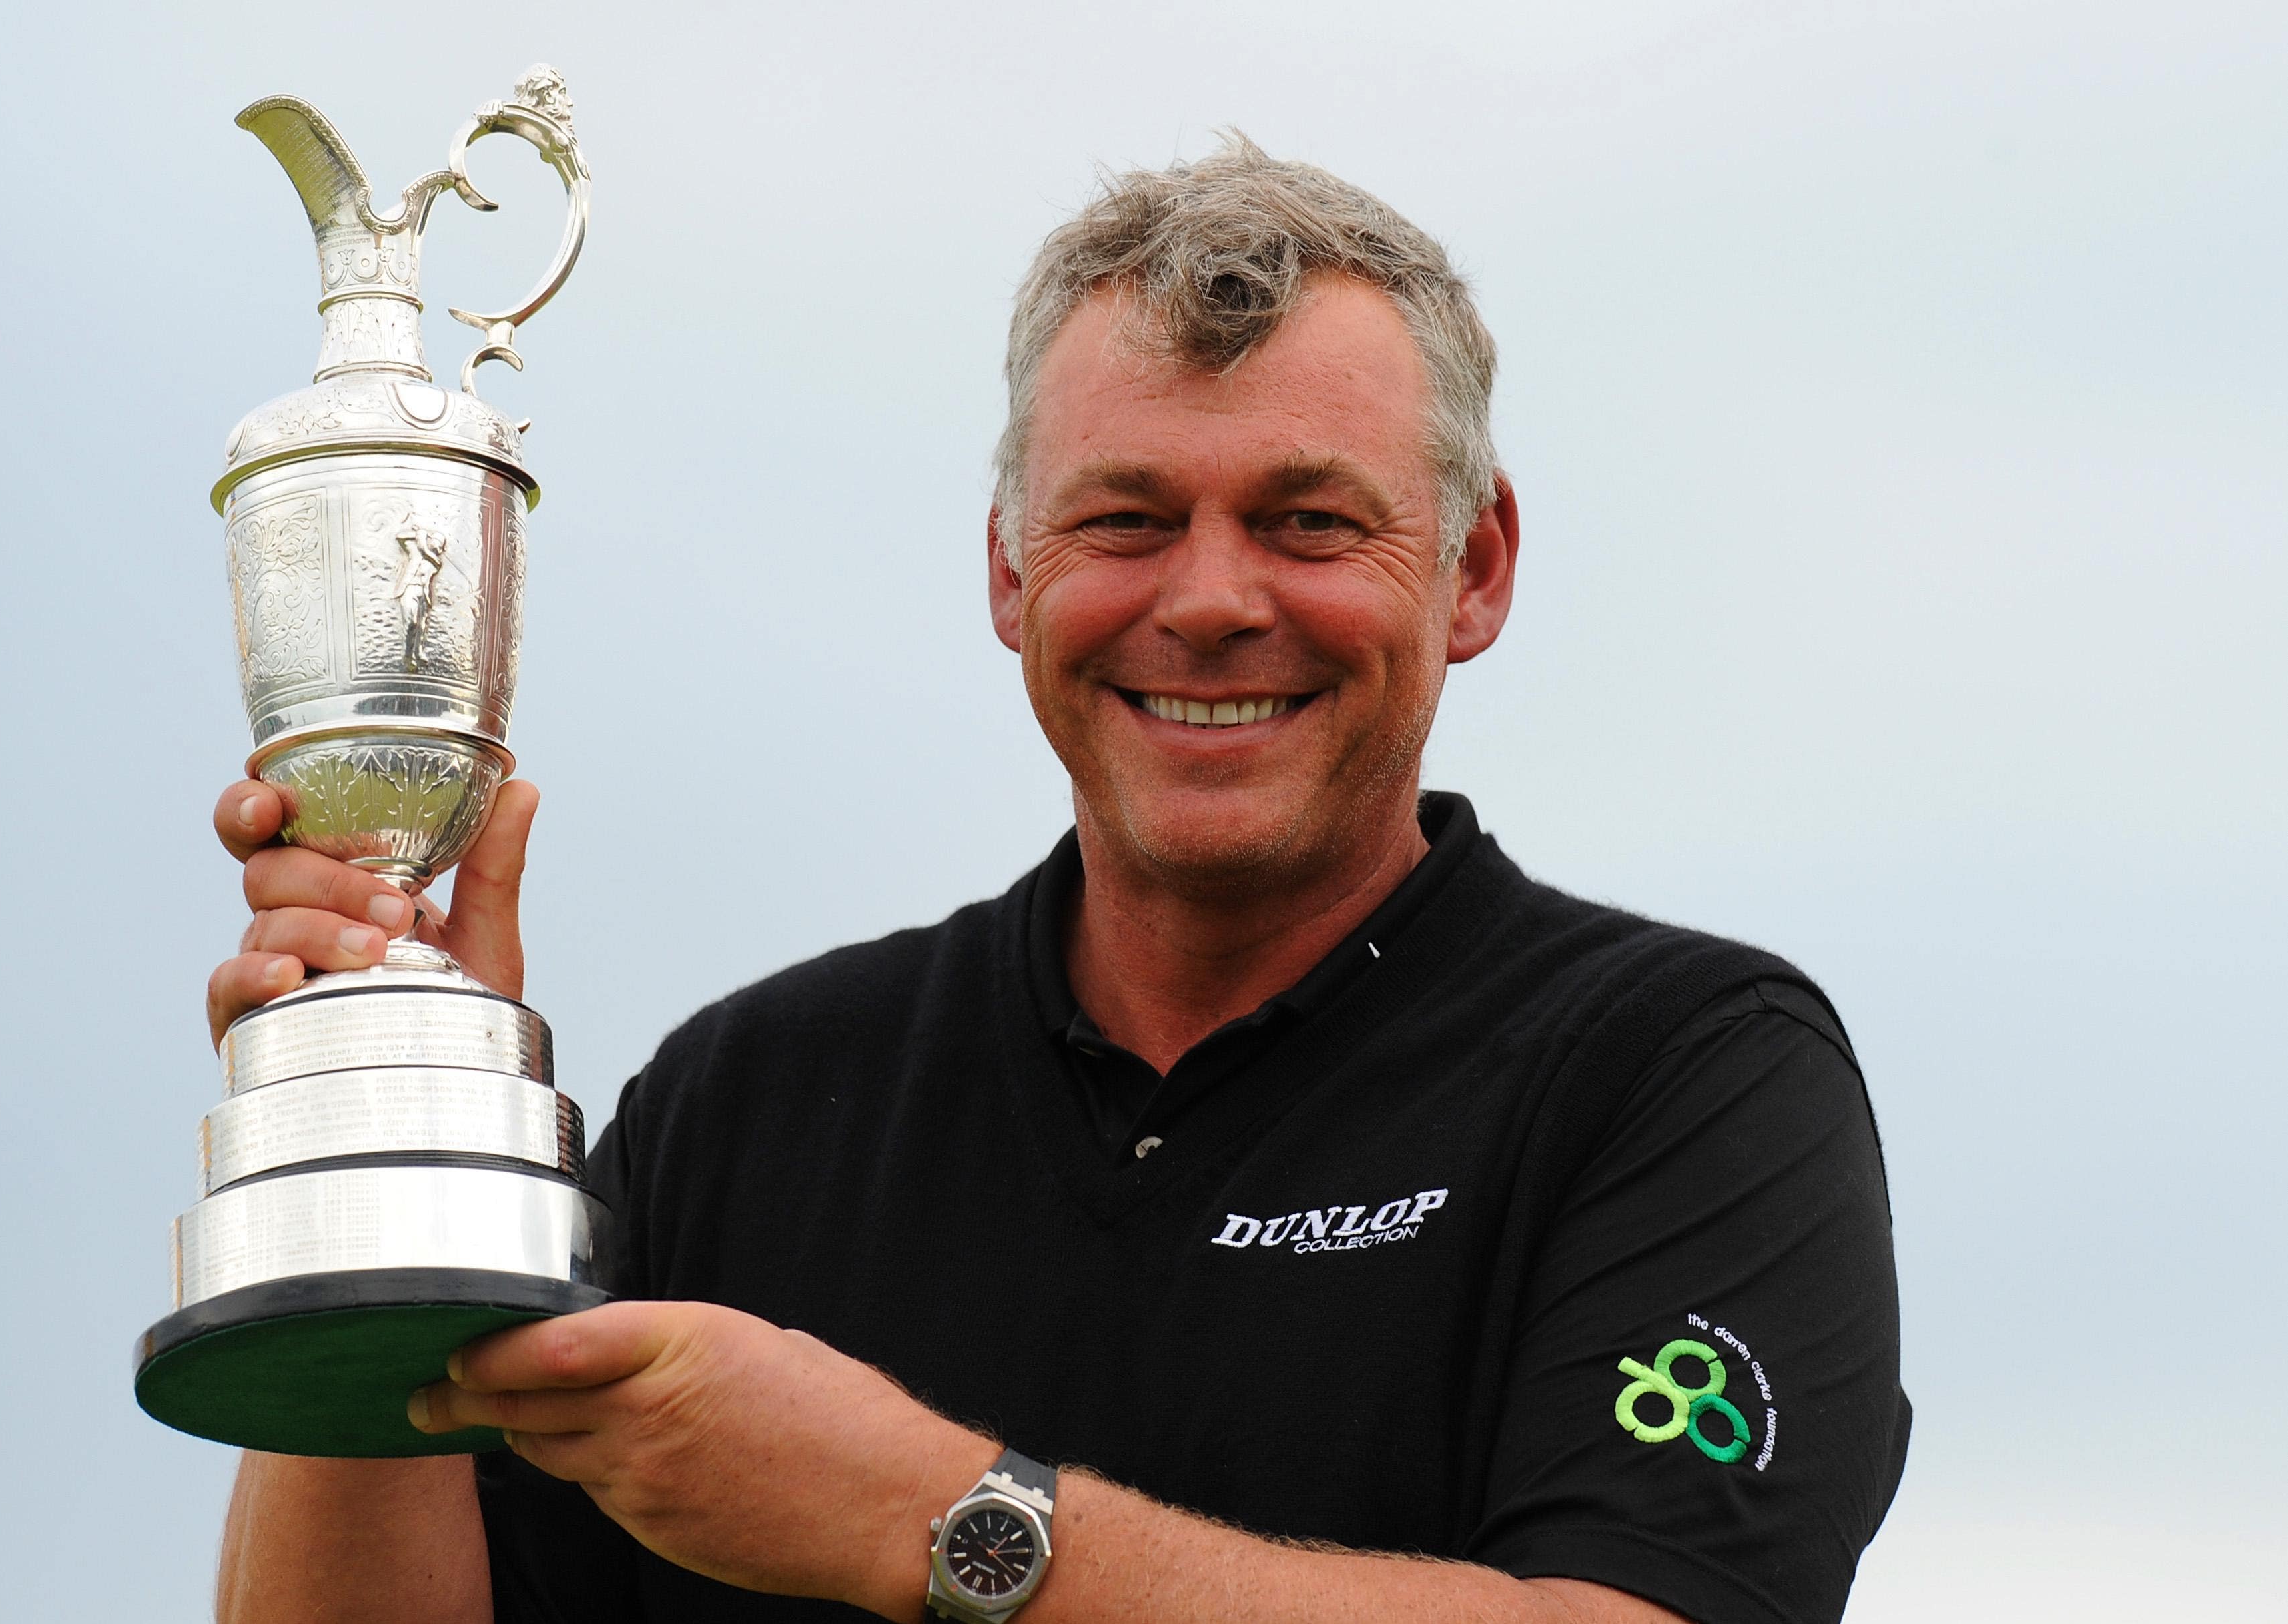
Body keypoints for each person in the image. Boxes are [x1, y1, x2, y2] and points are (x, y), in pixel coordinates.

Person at [205, 137, 1909, 1624]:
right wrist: (395, 1150)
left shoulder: (1685, 1071)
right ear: (1010, 573)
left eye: (1311, 520)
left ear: (1473, 568)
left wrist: (930, 1520)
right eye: (1126, 519)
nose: (1214, 598)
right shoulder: (751, 1098)